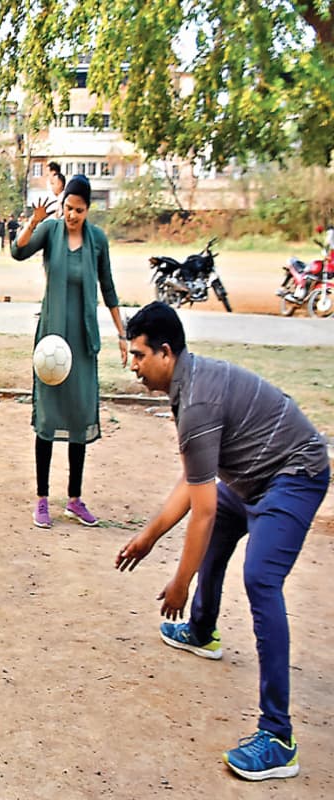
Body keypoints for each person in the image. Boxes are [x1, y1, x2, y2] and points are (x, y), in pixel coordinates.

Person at [116, 301, 329, 782]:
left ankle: (278, 737)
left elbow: (204, 510)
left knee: (261, 579)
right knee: (220, 531)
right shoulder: (187, 384)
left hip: (294, 474)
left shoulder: (196, 401)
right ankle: (202, 630)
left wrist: (180, 583)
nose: (133, 365)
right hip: (253, 478)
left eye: (139, 355)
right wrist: (148, 538)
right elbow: (194, 482)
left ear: (166, 352)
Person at [12, 175, 127, 529]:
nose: (72, 215)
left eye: (78, 210)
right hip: (52, 341)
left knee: (80, 416)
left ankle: (74, 499)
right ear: (61, 206)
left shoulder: (97, 240)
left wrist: (123, 334)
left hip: (82, 342)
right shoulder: (50, 230)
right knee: (47, 419)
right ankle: (42, 499)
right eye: (68, 208)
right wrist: (33, 222)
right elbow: (18, 251)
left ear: (88, 210)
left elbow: (108, 287)